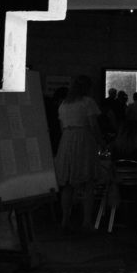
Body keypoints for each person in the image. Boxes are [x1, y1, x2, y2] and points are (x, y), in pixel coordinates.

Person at [52, 75, 103, 233]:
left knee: (67, 184)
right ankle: (86, 222)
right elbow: (94, 125)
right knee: (88, 182)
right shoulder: (88, 102)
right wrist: (102, 142)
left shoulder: (64, 105)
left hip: (66, 141)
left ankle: (65, 220)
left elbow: (62, 127)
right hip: (83, 139)